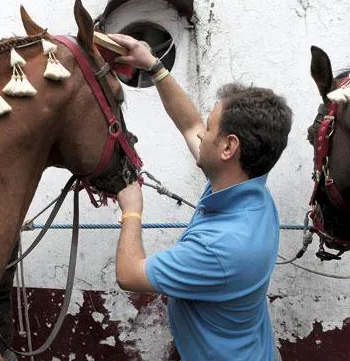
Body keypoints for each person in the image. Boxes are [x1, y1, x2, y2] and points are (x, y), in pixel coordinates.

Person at [109, 34, 292, 361]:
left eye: (210, 128)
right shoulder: (247, 191)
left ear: (228, 147)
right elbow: (189, 122)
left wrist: (132, 210)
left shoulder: (224, 246)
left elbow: (129, 274)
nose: (201, 133)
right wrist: (152, 65)